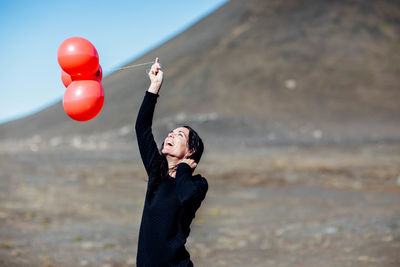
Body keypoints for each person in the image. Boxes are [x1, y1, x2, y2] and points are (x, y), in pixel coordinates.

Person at [135, 58, 208, 266]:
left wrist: (184, 168)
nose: (171, 135)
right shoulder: (156, 171)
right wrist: (154, 86)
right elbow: (142, 128)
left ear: (191, 150)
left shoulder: (197, 185)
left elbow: (185, 196)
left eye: (180, 136)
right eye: (171, 132)